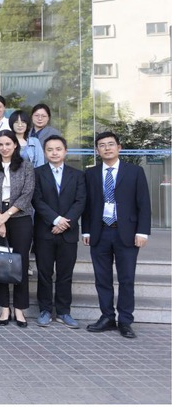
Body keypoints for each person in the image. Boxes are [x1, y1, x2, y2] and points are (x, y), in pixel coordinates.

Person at [82, 131, 151, 339]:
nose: (107, 148)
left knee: (126, 279)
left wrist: (142, 232)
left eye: (111, 144)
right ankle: (107, 317)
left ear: (119, 147)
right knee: (102, 279)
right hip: (100, 232)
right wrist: (86, 230)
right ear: (97, 150)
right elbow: (87, 205)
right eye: (102, 145)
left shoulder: (135, 172)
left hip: (127, 233)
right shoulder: (90, 174)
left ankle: (125, 321)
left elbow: (144, 204)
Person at [32, 135, 86, 328]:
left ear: (65, 151)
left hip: (68, 233)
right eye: (50, 150)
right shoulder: (37, 173)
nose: (54, 153)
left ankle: (64, 311)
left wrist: (64, 222)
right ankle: (45, 310)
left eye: (58, 149)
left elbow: (80, 201)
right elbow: (36, 200)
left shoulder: (77, 175)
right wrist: (55, 220)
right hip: (45, 231)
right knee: (44, 273)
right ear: (44, 152)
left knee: (65, 274)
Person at [0, 130, 35, 327]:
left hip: (20, 216)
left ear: (15, 145)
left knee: (20, 262)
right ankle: (4, 307)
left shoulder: (26, 166)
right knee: (1, 263)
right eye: (0, 144)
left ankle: (20, 308)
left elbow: (27, 193)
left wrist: (6, 216)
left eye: (8, 144)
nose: (4, 148)